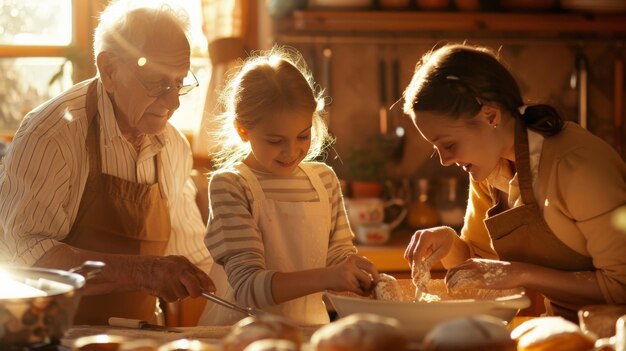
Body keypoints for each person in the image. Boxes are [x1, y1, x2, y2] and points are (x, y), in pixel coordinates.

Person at [0, 0, 215, 325]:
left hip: (138, 339)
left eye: (180, 81)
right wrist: (141, 272)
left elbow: (195, 257)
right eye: (157, 81)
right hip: (56, 338)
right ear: (109, 71)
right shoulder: (53, 135)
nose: (173, 102)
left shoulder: (172, 146)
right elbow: (25, 259)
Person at [402, 43, 626, 321]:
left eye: (448, 144)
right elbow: (482, 270)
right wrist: (449, 243)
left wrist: (521, 272)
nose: (445, 160)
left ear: (491, 115)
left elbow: (621, 287)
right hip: (562, 330)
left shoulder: (577, 167)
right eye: (436, 149)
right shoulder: (490, 169)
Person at [200, 46, 379, 325]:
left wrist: (354, 271)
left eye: (302, 136)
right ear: (242, 130)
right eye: (275, 141)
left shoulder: (324, 180)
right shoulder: (231, 186)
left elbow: (339, 258)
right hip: (241, 336)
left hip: (310, 332)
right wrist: (329, 276)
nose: (291, 151)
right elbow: (248, 288)